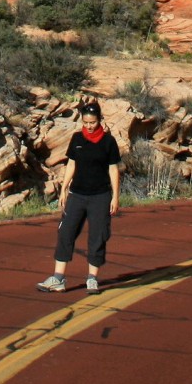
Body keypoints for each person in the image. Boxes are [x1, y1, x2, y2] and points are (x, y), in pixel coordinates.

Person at [39, 99, 120, 294]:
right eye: (85, 122)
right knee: (66, 232)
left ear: (99, 120)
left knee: (97, 236)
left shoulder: (109, 142)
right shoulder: (77, 139)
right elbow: (72, 165)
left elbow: (113, 169)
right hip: (77, 194)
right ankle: (58, 278)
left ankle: (92, 278)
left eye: (92, 122)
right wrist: (64, 188)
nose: (89, 126)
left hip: (100, 196)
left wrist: (115, 196)